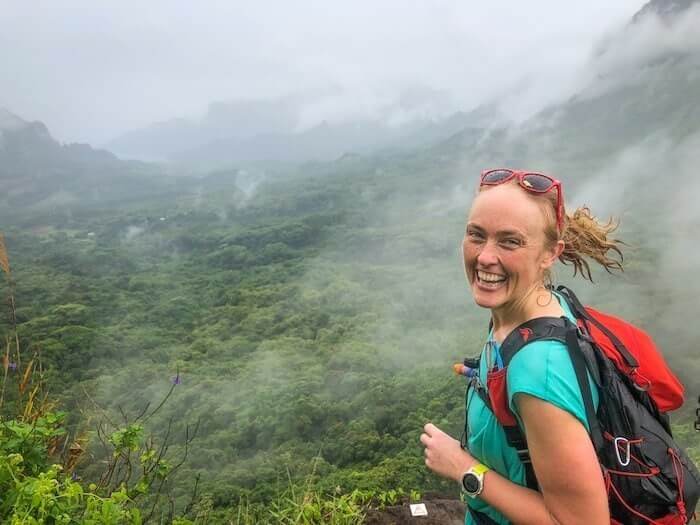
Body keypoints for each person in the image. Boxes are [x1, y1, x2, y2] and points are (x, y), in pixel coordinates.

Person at [420, 168, 624, 525]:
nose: (484, 257)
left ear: (550, 254)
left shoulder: (538, 370)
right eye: (476, 235)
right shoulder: (540, 306)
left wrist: (463, 467)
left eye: (509, 242)